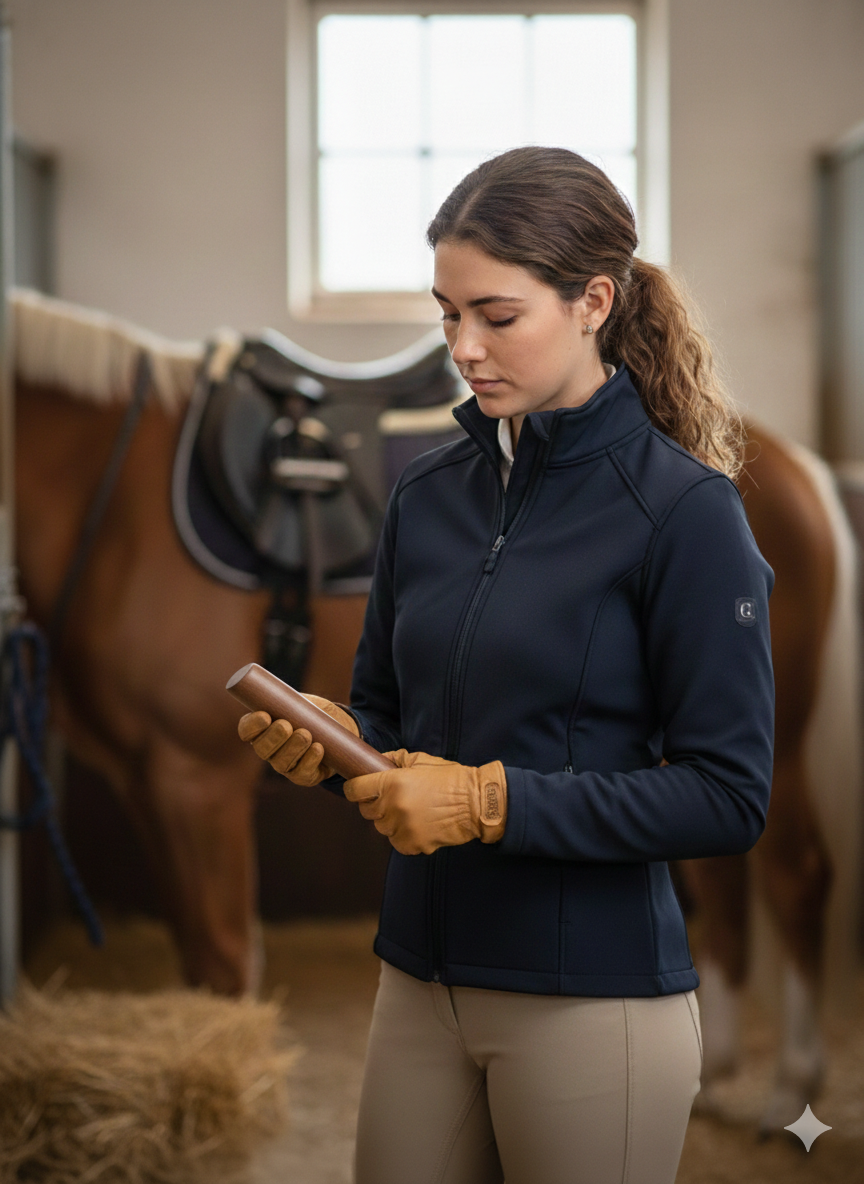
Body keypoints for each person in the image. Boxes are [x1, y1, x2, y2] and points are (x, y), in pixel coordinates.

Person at [238, 146, 775, 1184]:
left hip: (595, 999)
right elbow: (387, 714)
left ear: (593, 301)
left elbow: (727, 796)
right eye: (447, 314)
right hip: (418, 979)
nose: (463, 347)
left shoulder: (688, 514)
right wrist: (328, 737)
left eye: (496, 314)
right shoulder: (427, 493)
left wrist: (493, 803)